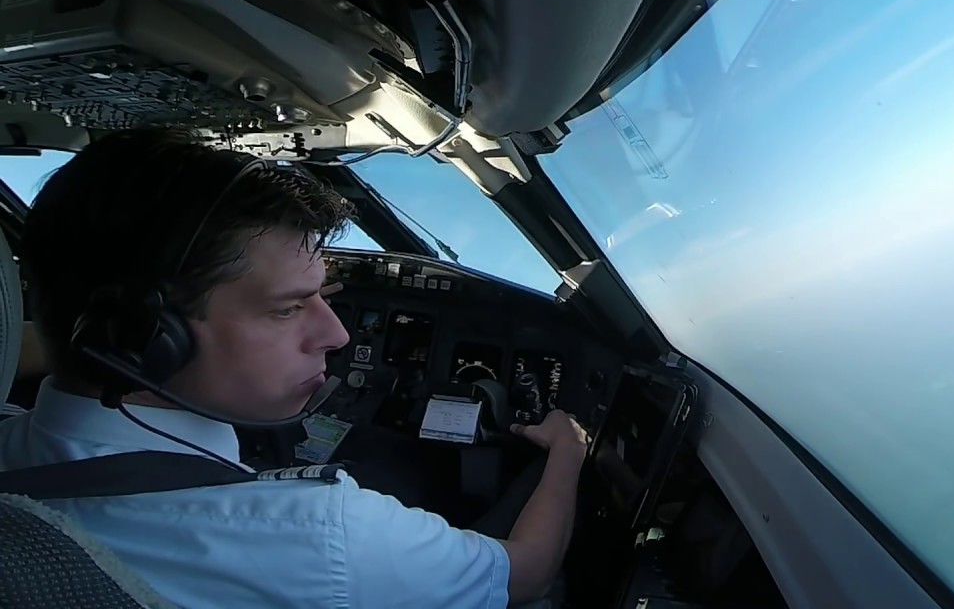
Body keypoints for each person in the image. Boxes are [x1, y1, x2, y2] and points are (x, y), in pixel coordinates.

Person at [0, 128, 586, 608]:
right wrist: (565, 454)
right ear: (145, 337)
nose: (335, 333)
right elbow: (524, 577)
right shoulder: (321, 537)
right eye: (287, 309)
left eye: (324, 296)